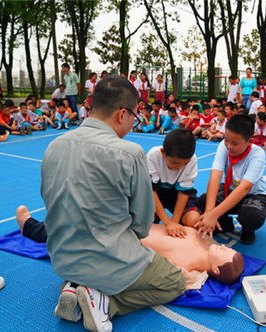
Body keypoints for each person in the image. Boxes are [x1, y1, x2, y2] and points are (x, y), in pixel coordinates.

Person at [41, 75, 186, 332]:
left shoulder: (54, 146)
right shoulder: (129, 153)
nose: (133, 124)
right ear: (122, 114)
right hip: (109, 261)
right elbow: (142, 224)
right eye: (134, 117)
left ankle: (76, 288)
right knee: (174, 282)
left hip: (62, 258)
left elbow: (49, 200)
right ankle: (106, 303)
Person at [16, 208, 244, 288]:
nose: (225, 248)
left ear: (214, 270)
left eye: (225, 254)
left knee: (78, 235)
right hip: (131, 224)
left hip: (123, 240)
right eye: (229, 249)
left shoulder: (190, 268)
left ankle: (30, 227)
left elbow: (173, 279)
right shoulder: (206, 243)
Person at [196, 114, 266, 245]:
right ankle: (224, 224)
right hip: (229, 189)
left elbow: (244, 189)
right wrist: (208, 211)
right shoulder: (223, 147)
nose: (229, 146)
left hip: (252, 195)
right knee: (202, 202)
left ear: (249, 140)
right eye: (226, 140)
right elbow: (215, 176)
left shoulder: (257, 154)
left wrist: (213, 214)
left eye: (235, 143)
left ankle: (248, 230)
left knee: (251, 217)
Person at [147, 129, 201, 237]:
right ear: (163, 152)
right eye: (175, 163)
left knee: (194, 221)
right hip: (157, 193)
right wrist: (167, 223)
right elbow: (151, 191)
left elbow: (184, 193)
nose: (179, 167)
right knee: (145, 221)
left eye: (185, 163)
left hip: (177, 194)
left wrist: (174, 222)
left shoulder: (192, 159)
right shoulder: (153, 155)